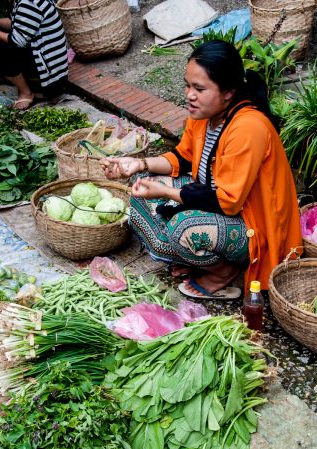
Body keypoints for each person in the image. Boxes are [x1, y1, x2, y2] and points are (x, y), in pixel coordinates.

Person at [101, 40, 303, 300]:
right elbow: (183, 158)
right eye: (187, 85)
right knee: (140, 186)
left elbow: (227, 201)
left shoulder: (248, 127)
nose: (189, 95)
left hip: (253, 224)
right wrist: (139, 164)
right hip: (220, 203)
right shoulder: (204, 115)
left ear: (228, 91)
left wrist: (167, 192)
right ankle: (198, 257)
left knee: (183, 229)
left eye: (199, 88)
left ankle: (224, 271)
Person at [0, 0, 68, 110]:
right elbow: (15, 23)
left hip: (50, 77)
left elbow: (17, 41)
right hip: (47, 65)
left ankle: (26, 92)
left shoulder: (30, 3)